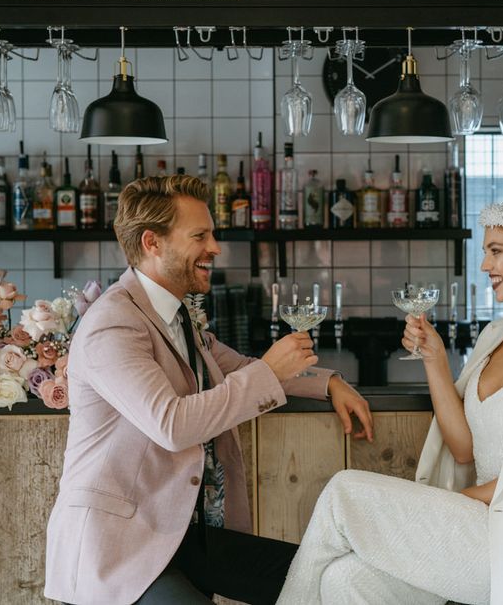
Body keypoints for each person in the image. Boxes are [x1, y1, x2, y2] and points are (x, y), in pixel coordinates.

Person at [44, 174, 373, 605]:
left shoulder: (179, 317)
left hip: (185, 537)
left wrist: (329, 382)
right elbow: (172, 423)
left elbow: (240, 369)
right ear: (152, 243)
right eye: (200, 235)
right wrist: (269, 370)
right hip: (119, 550)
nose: (215, 247)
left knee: (327, 581)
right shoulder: (113, 323)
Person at [277, 195, 503, 605]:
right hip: (469, 527)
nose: (485, 266)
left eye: (496, 251)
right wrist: (433, 359)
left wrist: (449, 501)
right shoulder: (494, 337)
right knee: (346, 580)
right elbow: (464, 450)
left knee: (344, 491)